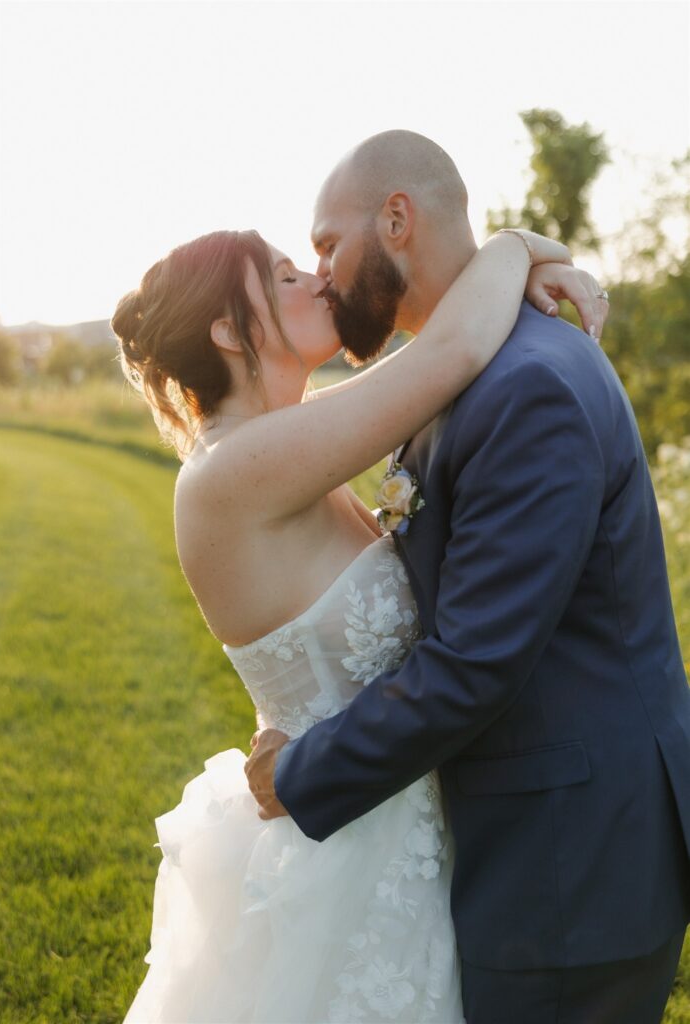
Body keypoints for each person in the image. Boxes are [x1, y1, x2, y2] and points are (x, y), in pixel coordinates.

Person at [113, 202, 605, 1021]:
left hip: (400, 816)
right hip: (342, 849)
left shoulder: (293, 442)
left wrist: (522, 281)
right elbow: (447, 352)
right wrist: (519, 247)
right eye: (283, 275)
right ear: (231, 335)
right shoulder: (229, 470)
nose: (319, 278)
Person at [246, 131, 690, 1024]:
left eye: (328, 244)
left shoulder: (527, 386)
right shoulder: (468, 367)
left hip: (571, 867)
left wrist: (302, 772)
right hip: (536, 845)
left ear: (397, 219)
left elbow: (477, 660)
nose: (323, 275)